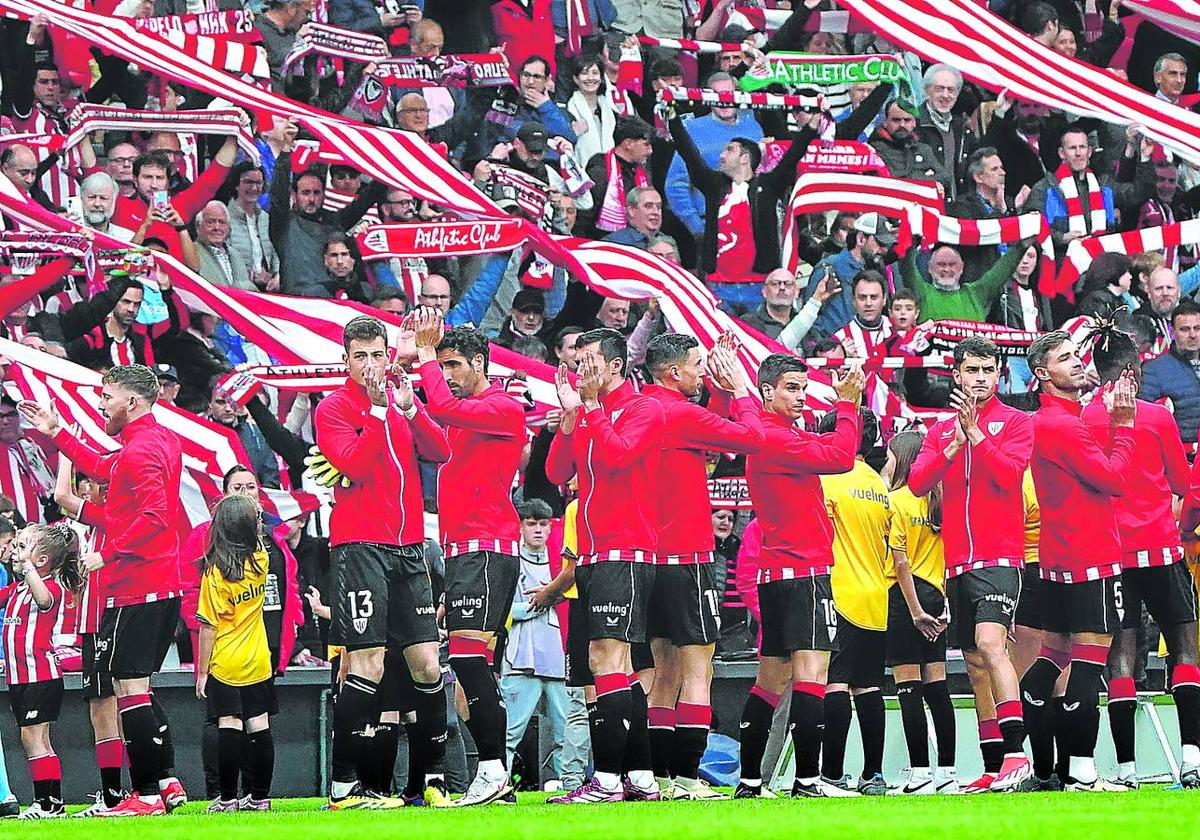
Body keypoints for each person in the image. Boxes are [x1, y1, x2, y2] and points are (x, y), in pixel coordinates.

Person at [19, 364, 187, 817]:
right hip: (156, 584)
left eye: (106, 397)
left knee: (129, 689)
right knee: (135, 689)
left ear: (131, 402)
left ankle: (148, 794)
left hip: (140, 585)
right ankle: (164, 786)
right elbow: (103, 473)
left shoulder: (142, 451)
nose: (100, 404)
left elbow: (152, 518)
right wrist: (57, 433)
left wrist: (106, 555)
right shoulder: (153, 442)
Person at [313, 315, 451, 809]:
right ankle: (345, 788)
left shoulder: (397, 402)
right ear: (345, 360)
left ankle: (431, 781)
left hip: (410, 546)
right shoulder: (332, 408)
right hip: (359, 546)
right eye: (361, 356)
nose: (371, 365)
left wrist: (411, 409)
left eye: (378, 355)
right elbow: (352, 465)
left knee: (427, 661)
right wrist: (374, 413)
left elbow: (441, 450)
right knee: (367, 662)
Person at [734, 354, 865, 800]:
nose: (800, 396)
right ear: (768, 391)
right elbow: (841, 455)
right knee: (813, 677)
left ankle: (751, 781)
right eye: (791, 387)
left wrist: (738, 390)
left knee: (771, 680)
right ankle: (809, 781)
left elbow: (744, 408)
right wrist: (848, 405)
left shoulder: (761, 429)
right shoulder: (776, 438)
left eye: (802, 387)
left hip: (776, 573)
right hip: (805, 572)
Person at [544, 328, 665, 803]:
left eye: (590, 360)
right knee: (621, 668)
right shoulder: (590, 412)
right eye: (578, 361)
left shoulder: (642, 409)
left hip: (627, 550)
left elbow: (618, 457)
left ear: (616, 366)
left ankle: (608, 781)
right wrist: (572, 417)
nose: (581, 369)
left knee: (605, 660)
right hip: (593, 554)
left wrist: (591, 407)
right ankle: (641, 778)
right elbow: (556, 474)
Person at [641, 332, 764, 799]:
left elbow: (702, 425)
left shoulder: (644, 406)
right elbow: (750, 439)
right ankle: (691, 778)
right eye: (697, 364)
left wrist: (714, 391)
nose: (702, 370)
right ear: (674, 372)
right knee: (699, 670)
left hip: (648, 558)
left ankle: (660, 776)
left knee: (663, 670)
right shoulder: (678, 413)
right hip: (688, 556)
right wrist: (739, 390)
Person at [909, 338, 1033, 793]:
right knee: (975, 662)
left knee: (990, 643)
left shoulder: (1016, 421)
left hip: (1001, 557)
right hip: (956, 562)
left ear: (997, 374)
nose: (981, 378)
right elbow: (919, 484)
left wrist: (977, 436)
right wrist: (954, 442)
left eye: (988, 370)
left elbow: (1009, 476)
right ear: (956, 375)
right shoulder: (940, 430)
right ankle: (993, 762)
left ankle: (1019, 755)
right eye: (972, 370)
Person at [412, 313, 526, 806]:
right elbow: (433, 429)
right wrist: (407, 404)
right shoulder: (462, 416)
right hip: (465, 548)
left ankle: (494, 768)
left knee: (468, 660)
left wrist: (421, 355)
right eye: (443, 365)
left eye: (454, 364)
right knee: (473, 662)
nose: (449, 373)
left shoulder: (502, 406)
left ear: (480, 363)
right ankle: (498, 773)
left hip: (487, 545)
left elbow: (440, 402)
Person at [1084, 327, 1199, 790]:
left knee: (1122, 655)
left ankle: (1127, 768)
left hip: (1110, 552)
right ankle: (1192, 757)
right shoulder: (1155, 417)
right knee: (1186, 648)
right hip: (1160, 544)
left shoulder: (1085, 417)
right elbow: (1182, 483)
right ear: (1132, 369)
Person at [1024, 329, 1137, 792]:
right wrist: (1125, 426)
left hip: (1058, 553)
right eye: (1064, 358)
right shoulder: (1063, 425)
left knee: (1054, 657)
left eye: (1076, 354)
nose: (1075, 362)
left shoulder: (1056, 420)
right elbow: (1113, 480)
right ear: (1041, 373)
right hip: (1090, 554)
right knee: (1090, 663)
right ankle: (1082, 772)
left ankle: (1045, 769)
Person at [816, 407, 890, 797]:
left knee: (836, 685)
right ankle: (873, 774)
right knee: (869, 688)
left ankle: (830, 775)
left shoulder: (830, 479)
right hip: (876, 595)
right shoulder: (878, 485)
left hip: (839, 591)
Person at [883, 431, 956, 795]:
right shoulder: (940, 499)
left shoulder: (896, 501)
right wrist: (943, 604)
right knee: (938, 686)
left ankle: (919, 773)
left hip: (905, 598)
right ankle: (947, 773)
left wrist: (914, 611)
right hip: (937, 592)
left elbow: (900, 561)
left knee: (908, 686)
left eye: (890, 456)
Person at [195, 494, 278, 813]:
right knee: (259, 724)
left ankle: (227, 799)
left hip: (226, 661)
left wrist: (202, 672)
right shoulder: (261, 559)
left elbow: (208, 627)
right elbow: (264, 528)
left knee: (229, 725)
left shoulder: (215, 573)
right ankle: (260, 798)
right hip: (258, 659)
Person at [52, 457, 124, 817]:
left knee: (108, 708)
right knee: (125, 702)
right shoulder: (118, 521)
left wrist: (66, 453)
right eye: (98, 484)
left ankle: (117, 795)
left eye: (104, 484)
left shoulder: (109, 519)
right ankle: (155, 784)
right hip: (105, 620)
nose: (98, 490)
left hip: (103, 620)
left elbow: (61, 494)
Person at [1, 523, 83, 819]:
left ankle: (44, 802)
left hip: (41, 675)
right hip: (18, 678)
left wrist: (27, 569)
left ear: (42, 559)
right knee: (38, 739)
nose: (15, 552)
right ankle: (54, 803)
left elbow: (45, 601)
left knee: (33, 738)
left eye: (23, 546)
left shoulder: (48, 587)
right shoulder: (15, 590)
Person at [500, 500, 569, 780]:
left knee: (567, 731)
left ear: (551, 528)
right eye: (531, 524)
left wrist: (550, 595)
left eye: (543, 524)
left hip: (555, 657)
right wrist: (541, 602)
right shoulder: (510, 562)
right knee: (509, 732)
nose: (538, 530)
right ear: (520, 526)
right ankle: (499, 783)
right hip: (520, 658)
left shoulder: (562, 564)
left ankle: (569, 784)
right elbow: (503, 608)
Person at [898, 238, 1029, 323]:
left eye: (952, 264)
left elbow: (1002, 270)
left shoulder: (975, 293)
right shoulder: (922, 292)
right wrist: (911, 238)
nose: (947, 269)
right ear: (930, 268)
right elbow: (907, 267)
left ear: (961, 268)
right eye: (941, 264)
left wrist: (1023, 245)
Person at [1140, 300, 1200, 444]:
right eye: (1185, 329)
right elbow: (1143, 420)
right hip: (1183, 455)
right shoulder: (1153, 370)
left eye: (1197, 328)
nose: (1192, 335)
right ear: (1173, 332)